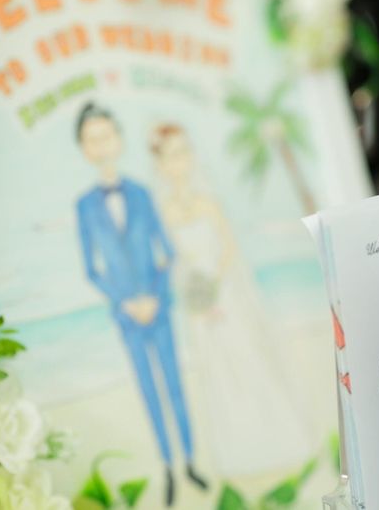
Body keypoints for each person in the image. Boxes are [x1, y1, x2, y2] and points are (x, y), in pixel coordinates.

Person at [149, 123, 312, 476]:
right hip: (197, 302)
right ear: (160, 164)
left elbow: (228, 246)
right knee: (219, 371)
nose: (181, 161)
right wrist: (197, 294)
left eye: (184, 151)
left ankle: (278, 441)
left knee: (247, 357)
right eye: (172, 155)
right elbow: (169, 259)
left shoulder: (207, 202)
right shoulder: (163, 212)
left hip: (226, 294)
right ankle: (242, 453)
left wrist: (216, 285)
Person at [75, 103, 207, 506]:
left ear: (118, 138)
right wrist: (126, 302)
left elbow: (167, 250)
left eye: (107, 135)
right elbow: (92, 269)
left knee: (175, 387)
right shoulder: (85, 206)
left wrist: (154, 295)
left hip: (159, 309)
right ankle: (167, 467)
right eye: (93, 139)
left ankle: (190, 462)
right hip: (128, 317)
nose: (102, 144)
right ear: (84, 148)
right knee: (149, 392)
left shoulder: (141, 193)